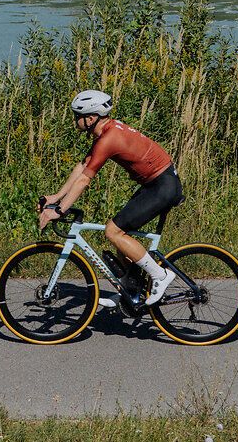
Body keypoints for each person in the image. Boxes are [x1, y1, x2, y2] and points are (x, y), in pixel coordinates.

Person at [38, 89, 182, 307]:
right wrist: (57, 197)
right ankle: (131, 290)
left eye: (77, 116)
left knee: (112, 231)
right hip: (156, 183)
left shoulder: (109, 139)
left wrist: (59, 210)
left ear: (90, 118)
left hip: (162, 187)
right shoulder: (107, 131)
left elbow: (84, 181)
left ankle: (160, 276)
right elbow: (84, 166)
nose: (75, 120)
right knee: (120, 236)